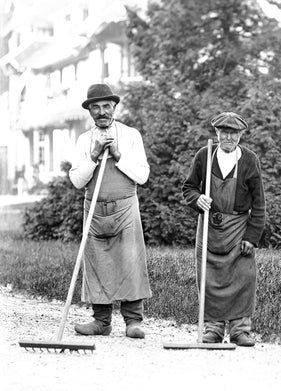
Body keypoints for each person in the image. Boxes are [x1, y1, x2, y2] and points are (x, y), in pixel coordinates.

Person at [69, 83, 151, 339]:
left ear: (115, 107)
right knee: (97, 263)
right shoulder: (84, 140)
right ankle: (101, 321)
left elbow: (143, 176)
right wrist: (93, 155)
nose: (102, 111)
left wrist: (117, 153)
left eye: (106, 106)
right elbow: (77, 181)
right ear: (90, 111)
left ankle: (133, 321)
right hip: (94, 208)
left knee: (130, 261)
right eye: (96, 107)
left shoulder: (131, 135)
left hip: (125, 207)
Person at [182, 112, 266, 347]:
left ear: (240, 135)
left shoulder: (250, 160)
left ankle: (240, 330)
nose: (228, 137)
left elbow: (259, 203)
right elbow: (188, 187)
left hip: (239, 227)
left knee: (243, 277)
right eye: (224, 132)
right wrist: (196, 198)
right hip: (209, 226)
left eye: (233, 133)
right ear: (216, 133)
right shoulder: (204, 156)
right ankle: (213, 328)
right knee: (208, 278)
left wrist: (253, 236)